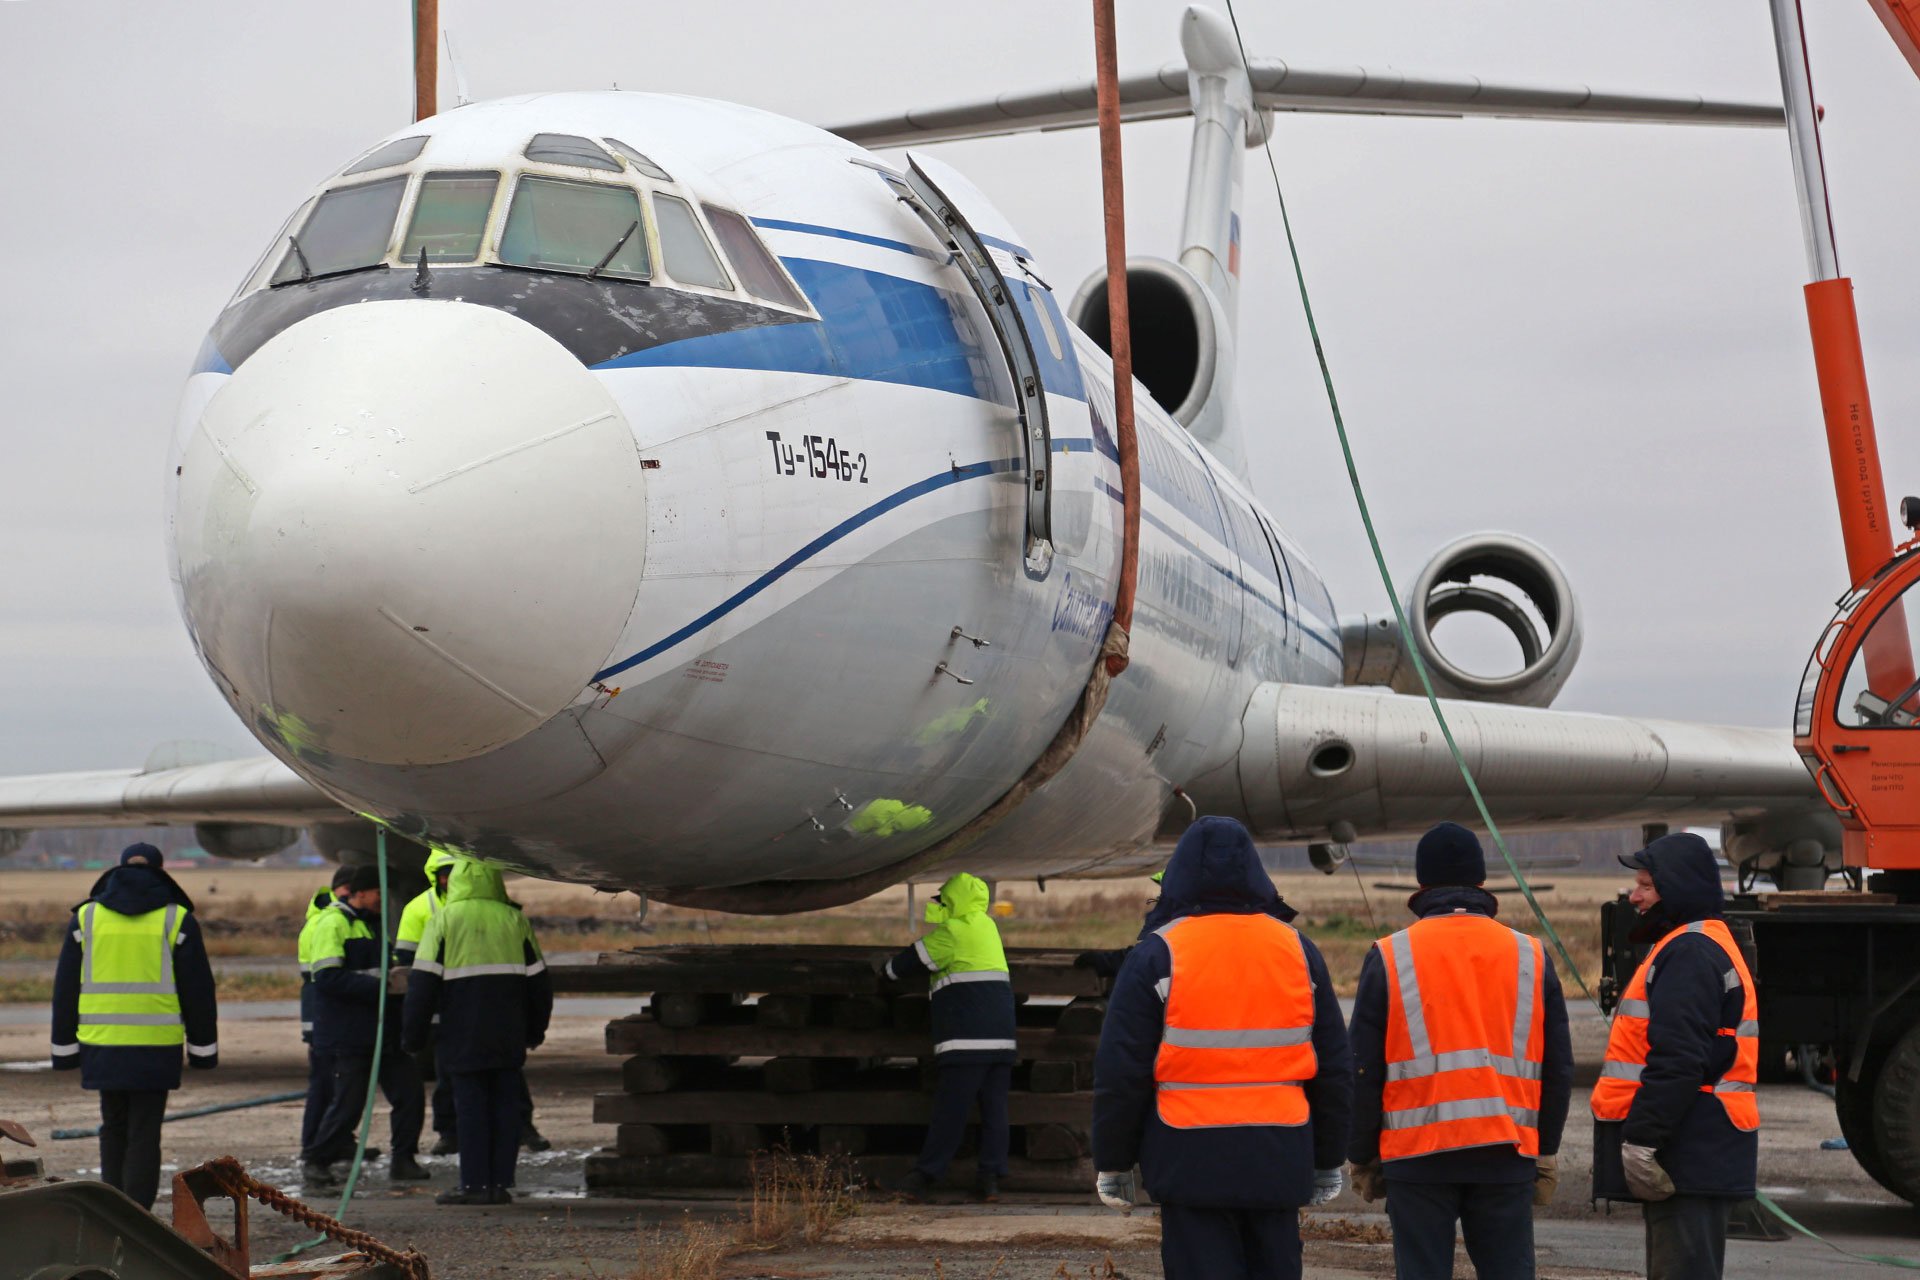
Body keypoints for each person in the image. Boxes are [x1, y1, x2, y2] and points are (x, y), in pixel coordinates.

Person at [1092, 817, 1353, 1280]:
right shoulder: (1298, 950)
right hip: (1279, 1155)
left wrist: (1114, 1161)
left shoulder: (1157, 954)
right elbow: (1333, 1068)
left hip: (1188, 1159)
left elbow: (1121, 1072)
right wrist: (1328, 1158)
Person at [1345, 822, 1573, 1280]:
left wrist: (1363, 1152)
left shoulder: (1391, 955)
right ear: (1481, 883)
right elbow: (1558, 1066)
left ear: (1421, 884)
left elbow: (1364, 1069)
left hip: (1417, 1156)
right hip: (1506, 1152)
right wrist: (1544, 1148)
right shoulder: (1529, 954)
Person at [1591, 832, 1758, 1279]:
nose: (1634, 895)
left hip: (1688, 1154)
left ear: (1677, 889)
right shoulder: (1695, 943)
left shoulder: (1689, 952)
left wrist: (1643, 1140)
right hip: (1696, 1151)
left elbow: (1680, 1059)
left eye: (1646, 884)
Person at [49, 843, 219, 1210]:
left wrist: (63, 1049)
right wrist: (203, 1050)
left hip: (101, 1042)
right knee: (145, 1130)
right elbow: (198, 991)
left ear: (118, 868)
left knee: (112, 1126)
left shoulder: (87, 918)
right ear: (160, 871)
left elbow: (65, 987)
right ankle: (138, 1210)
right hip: (156, 1045)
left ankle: (114, 1207)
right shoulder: (177, 919)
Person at [402, 858, 552, 1205]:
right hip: (508, 1035)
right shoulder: (514, 919)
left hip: (462, 1034)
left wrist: (413, 1036)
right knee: (505, 1109)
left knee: (470, 1111)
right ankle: (500, 1185)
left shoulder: (444, 920)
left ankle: (473, 1185)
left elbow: (421, 985)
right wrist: (535, 1030)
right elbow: (540, 985)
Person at [883, 871, 1016, 1202]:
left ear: (953, 902)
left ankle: (925, 1176)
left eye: (943, 900)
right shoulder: (988, 928)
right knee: (994, 1110)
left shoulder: (952, 932)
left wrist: (882, 969)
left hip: (966, 1041)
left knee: (950, 1111)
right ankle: (990, 1179)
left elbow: (901, 966)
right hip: (1001, 1041)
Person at [303, 864, 429, 1185]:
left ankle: (403, 1159)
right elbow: (327, 978)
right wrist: (382, 986)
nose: (381, 900)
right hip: (351, 1034)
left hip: (385, 1031)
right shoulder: (333, 924)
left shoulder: (373, 925)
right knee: (349, 1104)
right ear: (360, 892)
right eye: (377, 893)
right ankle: (317, 1160)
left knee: (409, 1095)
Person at [395, 849, 459, 1155]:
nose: (449, 879)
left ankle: (522, 1127)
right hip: (436, 1005)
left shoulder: (481, 907)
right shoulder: (419, 908)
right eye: (443, 873)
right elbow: (406, 960)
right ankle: (448, 1132)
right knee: (444, 1073)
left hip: (468, 1005)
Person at [298, 865, 357, 1157]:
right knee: (323, 1085)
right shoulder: (326, 922)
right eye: (348, 891)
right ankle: (313, 1143)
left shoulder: (336, 918)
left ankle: (338, 1141)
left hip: (326, 1015)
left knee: (335, 1086)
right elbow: (318, 978)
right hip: (320, 1015)